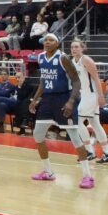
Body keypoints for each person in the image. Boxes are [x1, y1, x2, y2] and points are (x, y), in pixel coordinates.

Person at [28, 34, 94, 188]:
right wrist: (36, 99)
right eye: (45, 40)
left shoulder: (62, 58)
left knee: (75, 138)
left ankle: (88, 176)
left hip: (64, 98)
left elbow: (76, 81)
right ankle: (48, 172)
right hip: (48, 100)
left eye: (51, 40)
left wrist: (71, 101)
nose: (47, 42)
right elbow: (44, 80)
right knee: (37, 135)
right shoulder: (41, 58)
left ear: (57, 44)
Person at [70, 40, 108, 164]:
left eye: (76, 47)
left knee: (77, 120)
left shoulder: (86, 60)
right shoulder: (73, 61)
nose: (74, 49)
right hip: (84, 94)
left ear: (82, 48)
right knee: (95, 123)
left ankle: (89, 151)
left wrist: (100, 96)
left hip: (92, 95)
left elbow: (96, 78)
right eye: (72, 47)